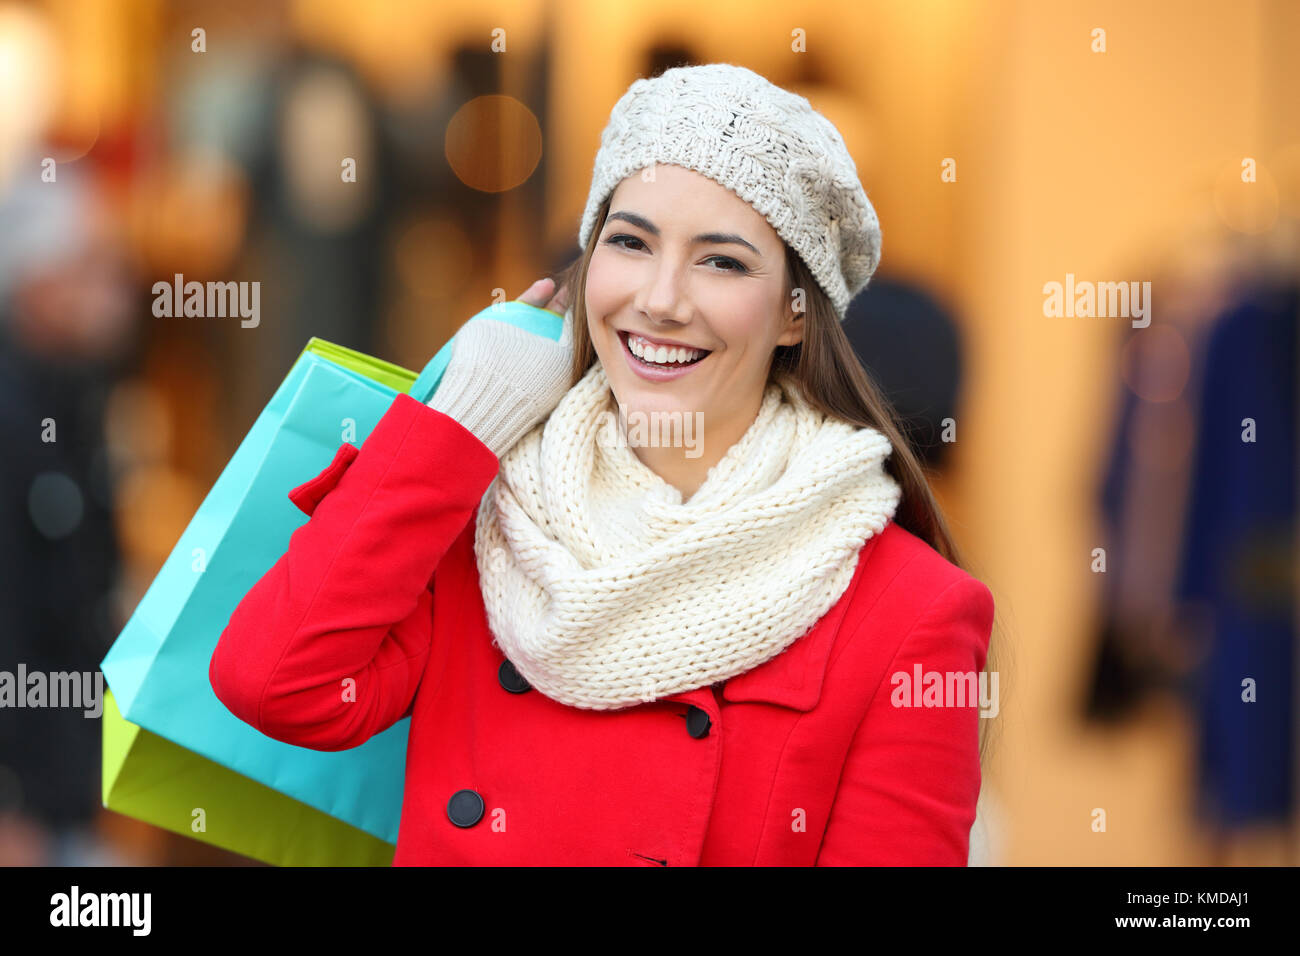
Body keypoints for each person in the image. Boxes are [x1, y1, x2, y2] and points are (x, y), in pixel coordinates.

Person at [209, 62, 997, 865]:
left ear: (796, 314)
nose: (659, 298)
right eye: (630, 243)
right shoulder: (492, 522)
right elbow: (271, 682)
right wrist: (459, 421)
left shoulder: (911, 613)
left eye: (720, 261)